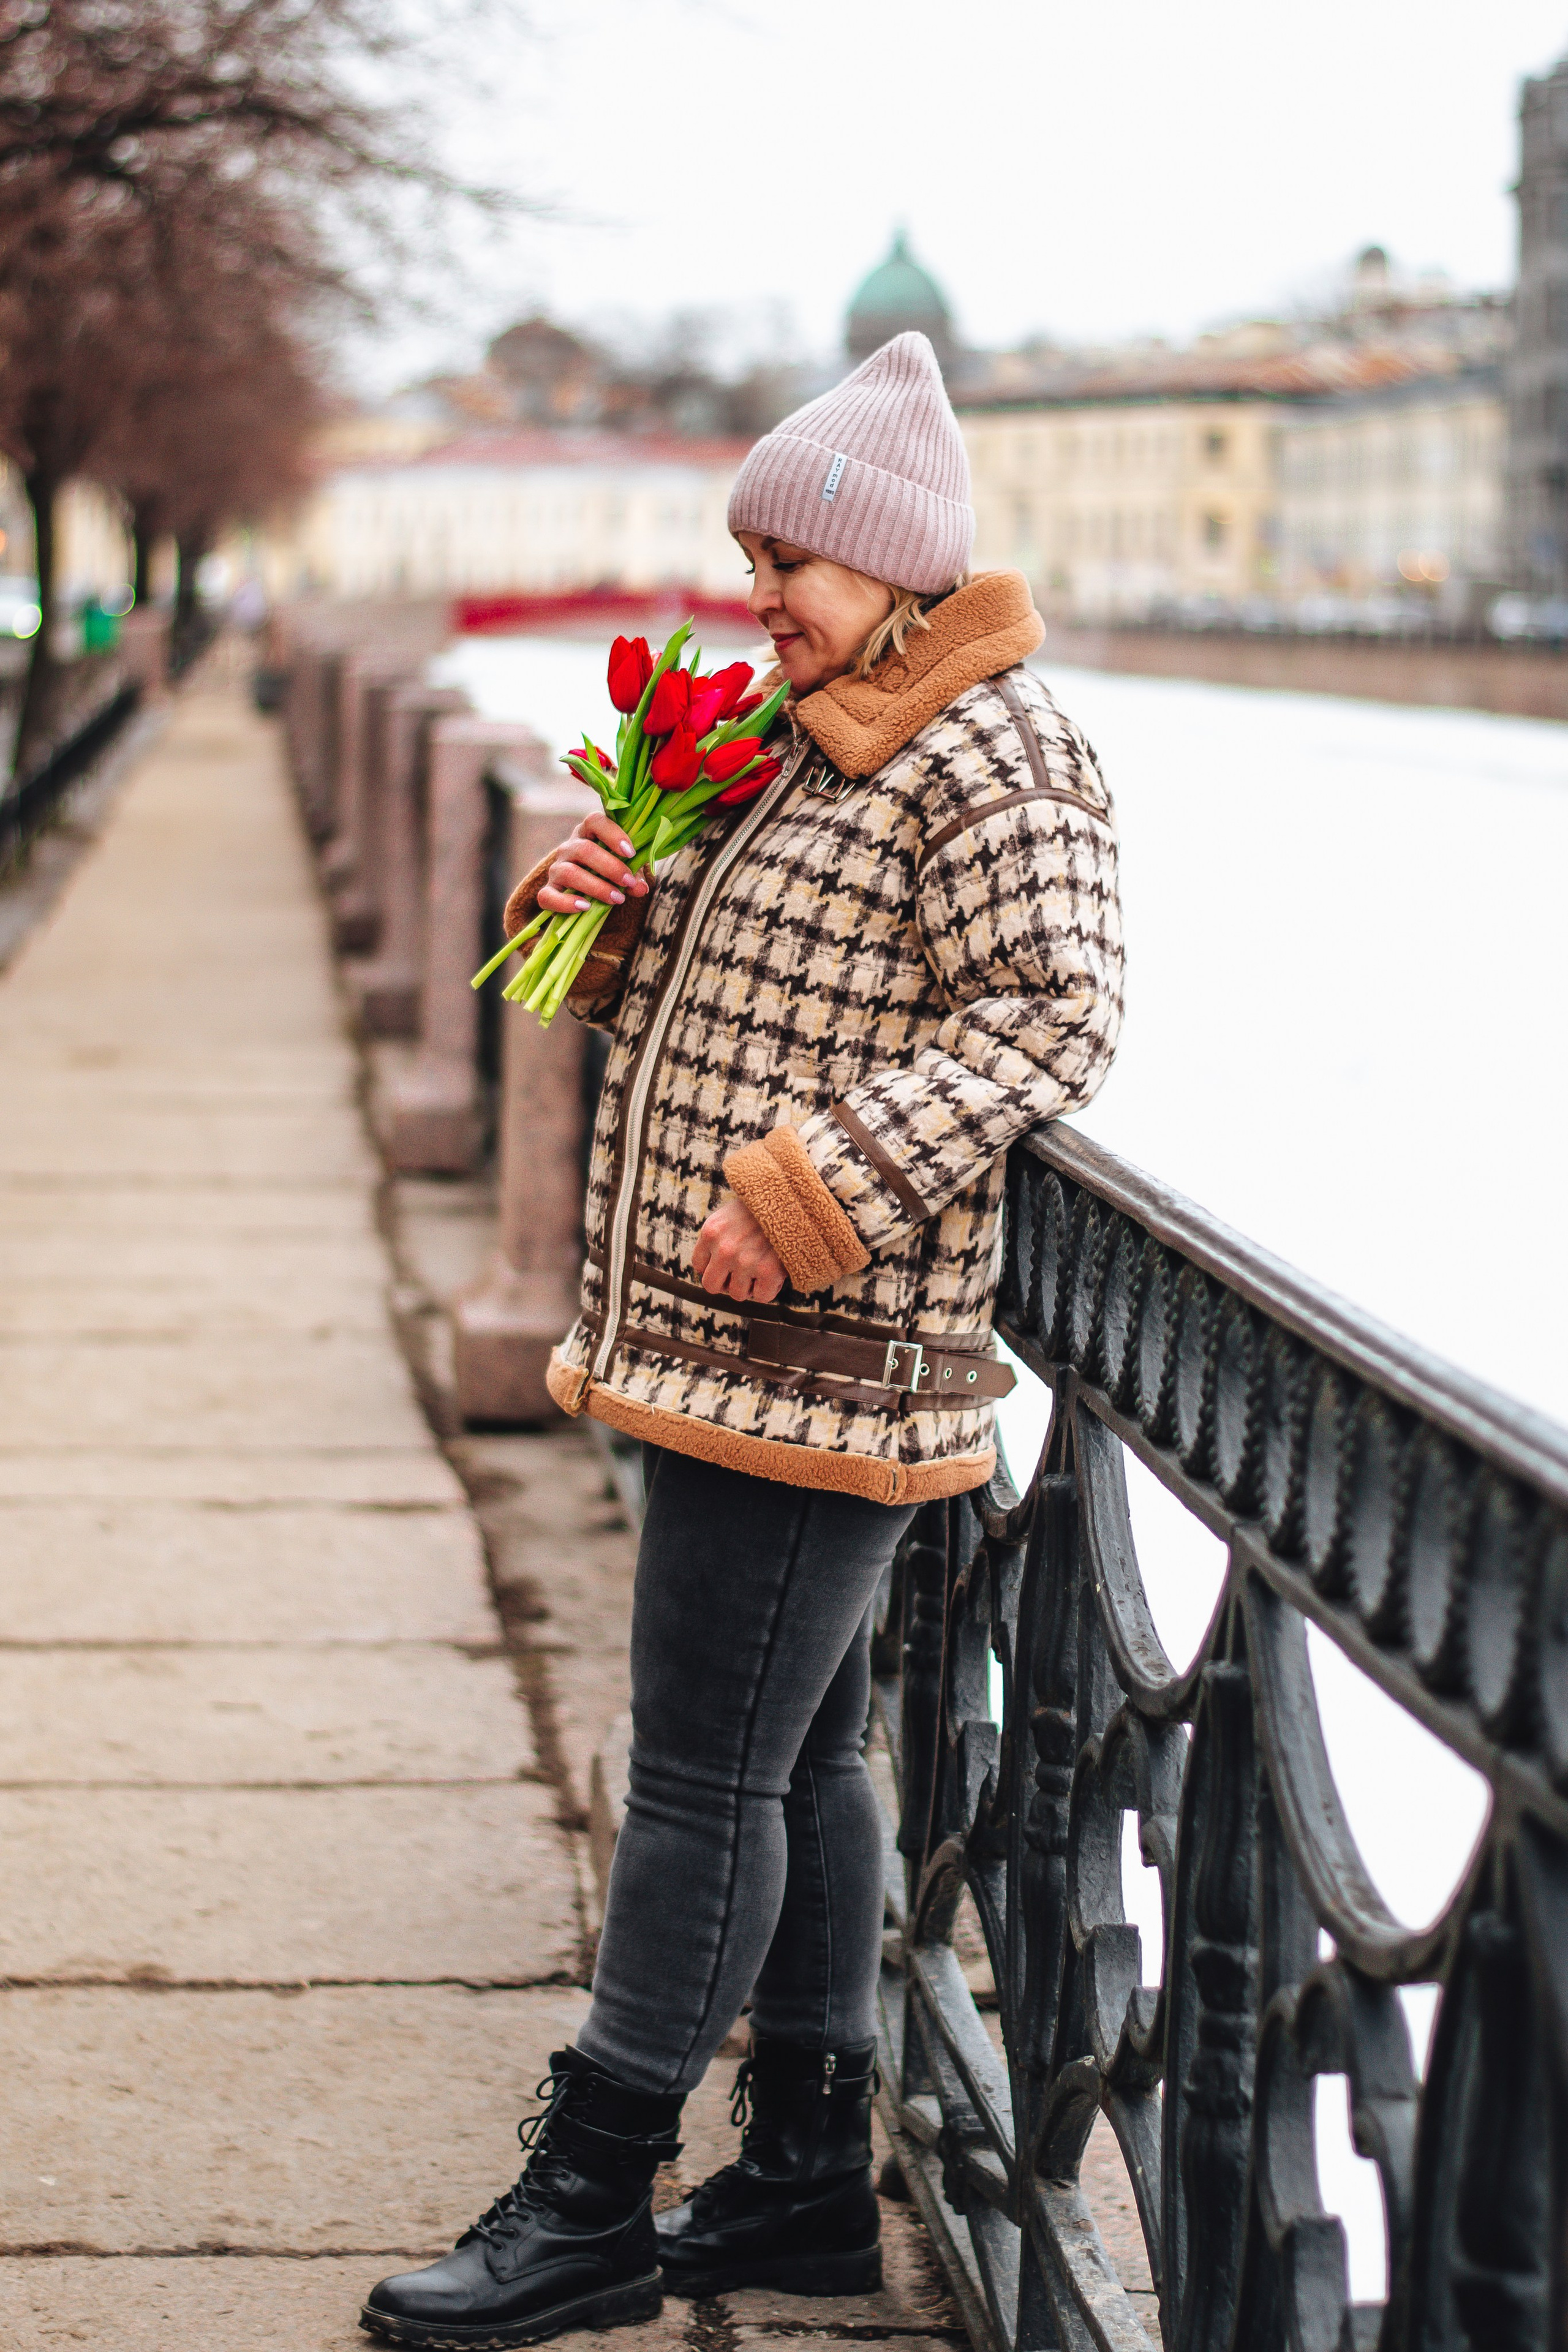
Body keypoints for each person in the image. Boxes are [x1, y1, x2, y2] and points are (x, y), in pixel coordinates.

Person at [361, 331, 1125, 2349]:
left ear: (898, 558)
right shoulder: (810, 734)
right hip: (733, 1346)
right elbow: (698, 995)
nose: (756, 590)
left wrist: (814, 1195)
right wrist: (602, 909)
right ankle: (799, 2173)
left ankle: (592, 2199)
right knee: (795, 1762)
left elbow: (1054, 1016)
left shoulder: (995, 749)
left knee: (699, 1776)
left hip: (817, 1350)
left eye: (788, 557)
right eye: (755, 553)